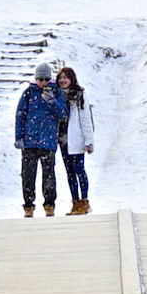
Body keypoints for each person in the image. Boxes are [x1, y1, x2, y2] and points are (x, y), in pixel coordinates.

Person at [15, 62, 67, 217]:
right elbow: (20, 115)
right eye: (40, 79)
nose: (42, 83)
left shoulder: (57, 93)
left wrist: (52, 102)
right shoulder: (28, 93)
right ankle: (28, 205)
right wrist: (19, 137)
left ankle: (49, 204)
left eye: (45, 79)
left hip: (48, 140)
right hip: (30, 142)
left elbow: (63, 114)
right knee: (27, 175)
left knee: (48, 174)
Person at [56, 66, 94, 215]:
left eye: (66, 77)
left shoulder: (79, 95)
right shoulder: (57, 95)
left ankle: (85, 201)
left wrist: (89, 140)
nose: (63, 80)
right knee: (69, 172)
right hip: (63, 140)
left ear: (72, 79)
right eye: (61, 78)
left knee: (79, 170)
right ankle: (75, 202)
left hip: (76, 139)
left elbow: (86, 119)